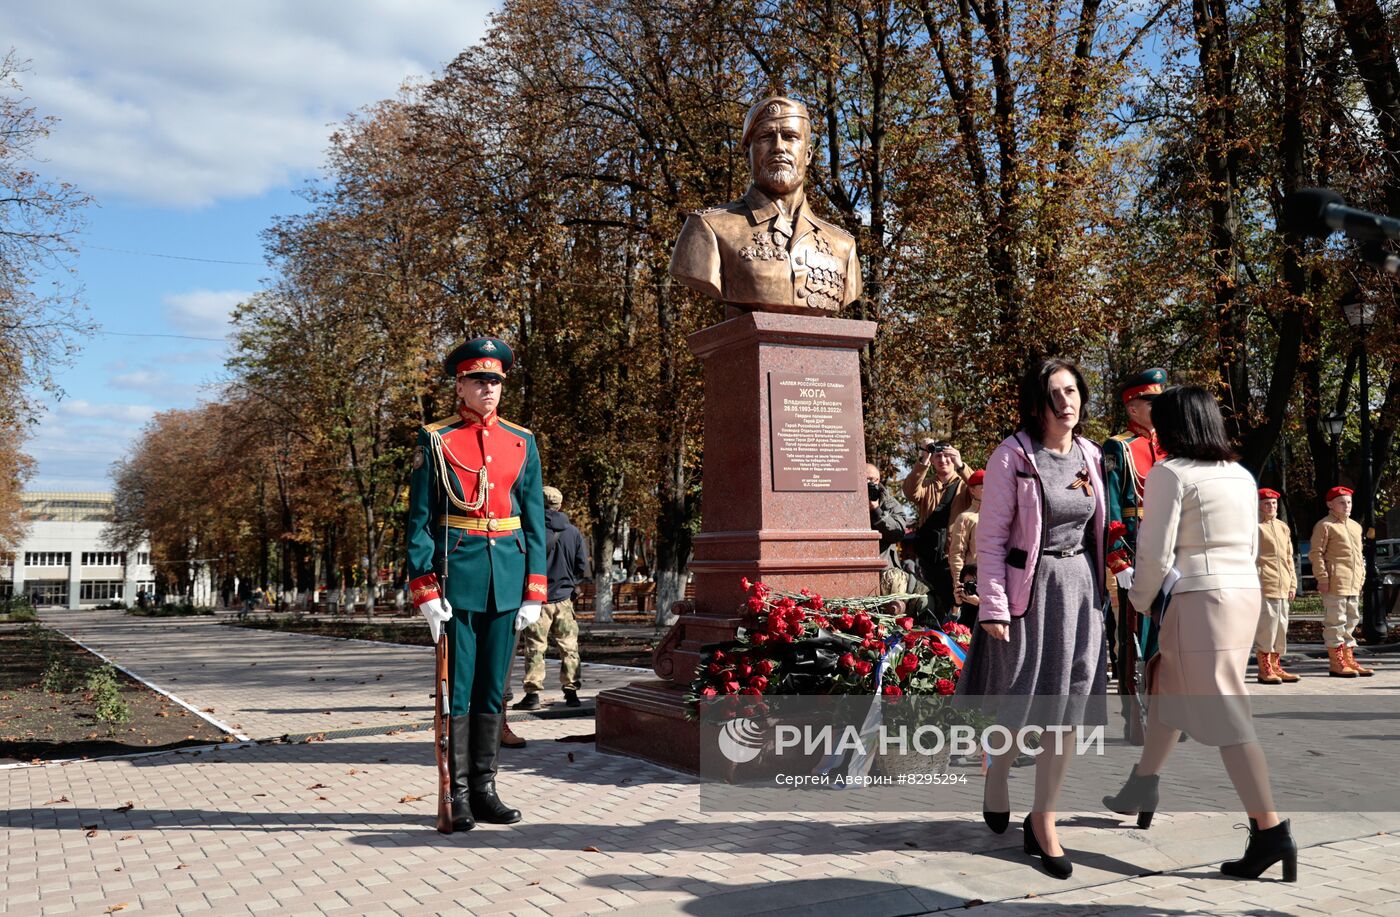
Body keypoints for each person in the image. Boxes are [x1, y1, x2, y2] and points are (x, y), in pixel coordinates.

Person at [1104, 385, 1296, 882]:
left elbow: (1154, 550)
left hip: (1198, 597)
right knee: (1166, 681)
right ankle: (1143, 783)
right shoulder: (1239, 473)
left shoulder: (1170, 473)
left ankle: (1270, 829)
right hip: (1240, 592)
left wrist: (1139, 600)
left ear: (1176, 426)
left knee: (1227, 712)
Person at [956, 356, 1108, 880]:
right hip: (1030, 593)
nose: (1068, 403)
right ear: (1037, 404)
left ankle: (1044, 819)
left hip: (1080, 590)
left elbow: (1098, 530)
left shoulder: (1091, 454)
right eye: (1056, 395)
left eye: (1073, 391)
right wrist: (994, 605)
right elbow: (992, 540)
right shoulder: (1012, 456)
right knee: (1019, 706)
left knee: (1066, 710)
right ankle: (996, 776)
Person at [407, 336, 547, 831]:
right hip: (458, 580)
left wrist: (534, 589)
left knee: (493, 690)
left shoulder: (521, 440)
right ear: (460, 385)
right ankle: (458, 793)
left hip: (506, 581)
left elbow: (533, 522)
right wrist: (426, 591)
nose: (490, 389)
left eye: (496, 381)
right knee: (459, 692)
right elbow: (421, 522)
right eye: (480, 380)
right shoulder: (436, 439)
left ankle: (486, 789)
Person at [670, 96, 862, 317]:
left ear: (808, 154)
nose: (779, 147)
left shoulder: (843, 245)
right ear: (747, 155)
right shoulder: (708, 228)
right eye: (766, 137)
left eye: (790, 137)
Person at [1102, 367, 1167, 741]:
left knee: (1169, 638)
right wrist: (1118, 558)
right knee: (1134, 637)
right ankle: (1135, 720)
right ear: (1132, 406)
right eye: (1150, 401)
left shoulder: (1169, 446)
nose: (1157, 408)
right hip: (1136, 549)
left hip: (1169, 552)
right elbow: (1112, 505)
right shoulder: (1118, 447)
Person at [514, 485, 590, 710]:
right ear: (560, 505)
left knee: (536, 647)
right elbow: (581, 566)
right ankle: (572, 693)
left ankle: (533, 695)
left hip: (537, 600)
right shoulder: (573, 532)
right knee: (569, 647)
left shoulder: (530, 530)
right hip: (564, 600)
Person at [903, 440, 972, 618]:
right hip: (928, 560)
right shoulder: (926, 485)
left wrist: (961, 465)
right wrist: (923, 458)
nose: (943, 460)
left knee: (959, 608)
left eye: (948, 456)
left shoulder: (965, 484)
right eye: (938, 456)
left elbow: (981, 489)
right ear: (933, 461)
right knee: (932, 608)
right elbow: (910, 492)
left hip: (955, 559)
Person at [1310, 486, 1372, 677]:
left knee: (1351, 621)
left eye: (1349, 502)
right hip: (1335, 581)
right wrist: (1322, 578)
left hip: (1352, 583)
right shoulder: (1325, 525)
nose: (1347, 506)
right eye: (1342, 502)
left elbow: (1359, 556)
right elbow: (1316, 554)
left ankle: (1348, 659)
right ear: (1330, 504)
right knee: (1335, 622)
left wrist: (1361, 578)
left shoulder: (1355, 526)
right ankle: (1337, 663)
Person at [1254, 488, 1300, 684]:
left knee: (1281, 627)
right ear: (1258, 505)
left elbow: (1289, 558)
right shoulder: (1254, 527)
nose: (1271, 507)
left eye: (1273, 503)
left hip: (1283, 585)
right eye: (1266, 503)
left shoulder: (1283, 527)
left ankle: (1276, 665)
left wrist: (1293, 584)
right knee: (1267, 627)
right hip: (1265, 583)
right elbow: (1251, 558)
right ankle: (1265, 668)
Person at [947, 469, 984, 629]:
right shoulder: (965, 518)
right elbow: (957, 554)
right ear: (972, 490)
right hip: (974, 584)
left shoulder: (1003, 515)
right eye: (983, 486)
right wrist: (959, 584)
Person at [867, 462, 909, 562]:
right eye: (863, 479)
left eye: (871, 479)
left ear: (878, 480)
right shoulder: (846, 501)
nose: (867, 482)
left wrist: (876, 510)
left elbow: (897, 534)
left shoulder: (890, 503)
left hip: (884, 566)